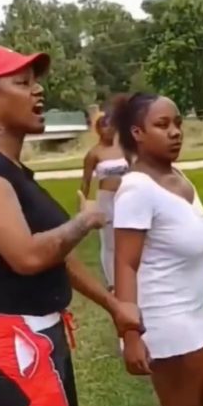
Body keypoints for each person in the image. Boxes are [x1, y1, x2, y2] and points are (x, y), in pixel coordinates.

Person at [0, 46, 143, 406]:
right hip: (7, 334)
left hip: (37, 328)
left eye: (36, 82)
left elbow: (57, 257)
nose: (38, 90)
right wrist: (83, 222)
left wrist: (113, 304)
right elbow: (28, 257)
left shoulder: (11, 169)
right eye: (22, 83)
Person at [111, 92, 203, 406]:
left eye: (177, 123)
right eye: (162, 125)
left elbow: (201, 248)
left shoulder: (178, 177)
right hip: (164, 319)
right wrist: (130, 333)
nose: (175, 132)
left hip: (194, 311)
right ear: (137, 133)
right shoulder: (137, 190)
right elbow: (125, 264)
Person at [81, 110, 130, 291]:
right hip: (106, 198)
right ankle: (112, 282)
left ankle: (132, 274)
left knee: (129, 235)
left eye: (112, 126)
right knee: (110, 241)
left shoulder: (123, 149)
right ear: (98, 129)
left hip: (126, 197)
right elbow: (86, 181)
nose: (109, 130)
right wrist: (84, 203)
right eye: (104, 126)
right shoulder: (94, 153)